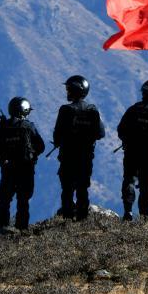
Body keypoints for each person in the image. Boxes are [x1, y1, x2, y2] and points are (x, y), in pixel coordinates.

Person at [53, 75, 105, 221]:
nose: (67, 93)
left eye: (69, 90)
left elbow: (57, 135)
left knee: (67, 189)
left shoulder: (65, 110)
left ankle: (68, 219)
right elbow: (101, 133)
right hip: (85, 157)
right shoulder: (92, 110)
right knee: (83, 188)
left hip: (68, 156)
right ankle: (82, 219)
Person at [0, 97, 46, 231]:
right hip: (25, 168)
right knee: (23, 200)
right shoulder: (28, 126)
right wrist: (32, 154)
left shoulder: (2, 126)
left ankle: (3, 227)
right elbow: (41, 146)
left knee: (4, 200)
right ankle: (21, 228)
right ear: (24, 111)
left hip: (8, 169)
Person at [117, 80, 148, 221]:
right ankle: (144, 215)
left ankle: (128, 212)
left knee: (129, 179)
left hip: (131, 151)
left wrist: (128, 140)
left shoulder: (133, 109)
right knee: (145, 184)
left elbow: (120, 129)